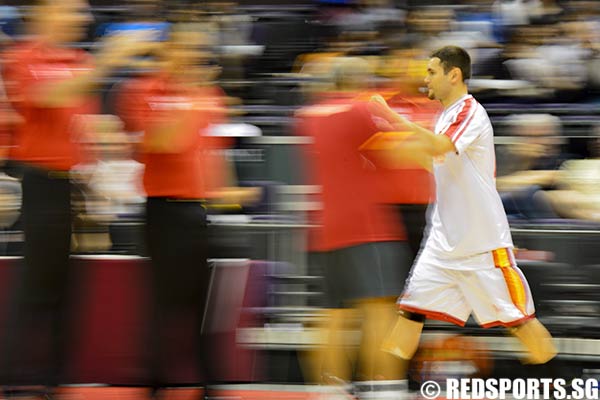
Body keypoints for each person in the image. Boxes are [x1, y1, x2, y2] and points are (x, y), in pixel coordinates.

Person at [367, 45, 557, 365]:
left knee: (521, 324)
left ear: (453, 75)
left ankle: (560, 387)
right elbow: (439, 161)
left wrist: (391, 117)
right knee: (410, 314)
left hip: (481, 243)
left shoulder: (470, 110)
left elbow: (441, 146)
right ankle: (383, 389)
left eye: (431, 72)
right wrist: (391, 148)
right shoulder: (444, 116)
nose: (425, 79)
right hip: (443, 243)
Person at [0, 0, 155, 391]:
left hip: (74, 183)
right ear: (42, 14)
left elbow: (81, 121)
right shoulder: (22, 58)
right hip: (39, 182)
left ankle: (53, 378)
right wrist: (105, 62)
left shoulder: (80, 59)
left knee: (67, 286)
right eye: (69, 10)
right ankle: (18, 376)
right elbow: (50, 97)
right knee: (38, 284)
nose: (80, 18)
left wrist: (97, 172)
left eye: (81, 11)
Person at [296, 56, 414, 399]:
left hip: (326, 226)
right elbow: (402, 153)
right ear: (360, 82)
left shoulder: (309, 116)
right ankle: (385, 388)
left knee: (333, 314)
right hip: (368, 225)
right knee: (381, 310)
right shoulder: (361, 111)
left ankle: (329, 390)